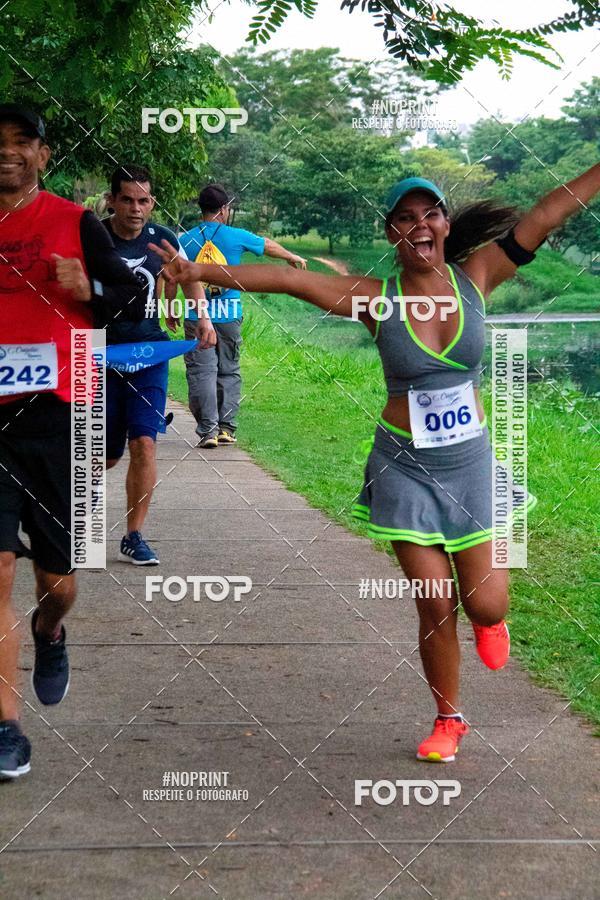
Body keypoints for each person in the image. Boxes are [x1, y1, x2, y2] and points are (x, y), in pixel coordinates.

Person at [151, 164, 600, 762]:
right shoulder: (375, 299)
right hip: (405, 469)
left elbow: (547, 213)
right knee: (434, 600)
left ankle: (491, 619)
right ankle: (448, 719)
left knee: (486, 602)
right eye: (405, 218)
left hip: (469, 466)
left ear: (445, 224)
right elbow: (287, 280)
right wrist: (200, 272)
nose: (420, 225)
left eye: (430, 214)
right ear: (392, 233)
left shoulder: (479, 275)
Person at [0, 105, 146, 779]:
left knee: (58, 580)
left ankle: (49, 628)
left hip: (66, 411)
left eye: (21, 142)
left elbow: (133, 301)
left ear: (43, 154)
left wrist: (90, 286)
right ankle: (6, 727)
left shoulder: (76, 221)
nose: (8, 152)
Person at [103, 166, 215, 565]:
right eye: (127, 200)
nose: (136, 208)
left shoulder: (163, 237)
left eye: (144, 200)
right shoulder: (93, 235)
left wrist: (203, 317)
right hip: (98, 353)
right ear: (112, 200)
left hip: (149, 351)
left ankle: (134, 535)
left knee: (145, 442)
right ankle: (73, 525)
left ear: (152, 203)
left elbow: (190, 276)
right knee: (103, 455)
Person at [179, 183, 307, 448]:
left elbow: (171, 275)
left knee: (202, 372)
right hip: (229, 316)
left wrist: (169, 306)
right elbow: (266, 245)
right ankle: (226, 428)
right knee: (228, 370)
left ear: (201, 209)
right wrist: (290, 256)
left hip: (196, 315)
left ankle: (208, 431)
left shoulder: (184, 240)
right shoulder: (235, 236)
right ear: (224, 209)